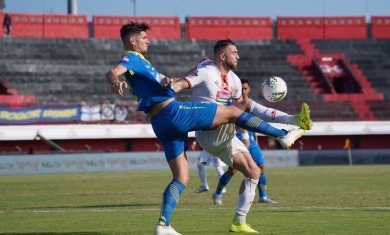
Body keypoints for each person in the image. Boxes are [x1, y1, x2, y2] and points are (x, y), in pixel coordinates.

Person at [106, 22, 305, 235]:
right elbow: (113, 71)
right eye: (144, 38)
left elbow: (161, 84)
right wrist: (114, 81)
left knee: (181, 176)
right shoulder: (132, 58)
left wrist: (166, 80)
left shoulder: (142, 63)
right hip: (172, 112)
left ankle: (163, 225)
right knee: (233, 113)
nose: (148, 40)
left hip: (160, 122)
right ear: (133, 40)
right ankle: (283, 135)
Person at [170, 39, 312, 233]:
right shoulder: (206, 71)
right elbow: (180, 85)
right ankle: (288, 127)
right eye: (234, 52)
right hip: (207, 130)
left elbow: (242, 111)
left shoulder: (235, 80)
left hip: (225, 135)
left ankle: (239, 221)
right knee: (245, 104)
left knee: (254, 172)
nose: (238, 56)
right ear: (222, 55)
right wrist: (168, 90)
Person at [213, 79, 285, 205]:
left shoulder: (251, 105)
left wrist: (255, 139)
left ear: (249, 89)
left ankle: (263, 196)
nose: (243, 91)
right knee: (233, 171)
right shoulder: (231, 104)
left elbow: (255, 123)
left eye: (246, 88)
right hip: (236, 139)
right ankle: (217, 193)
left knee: (260, 166)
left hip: (251, 140)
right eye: (241, 89)